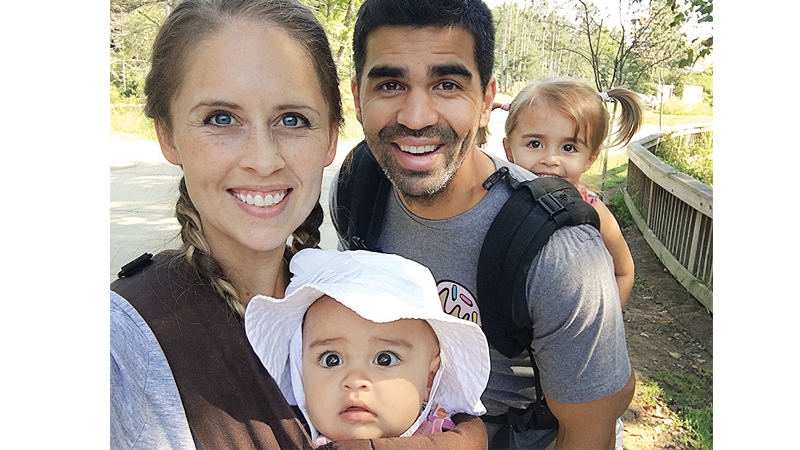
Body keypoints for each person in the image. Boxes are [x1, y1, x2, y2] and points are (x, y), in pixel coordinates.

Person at [110, 0, 486, 448]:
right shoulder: (120, 346)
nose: (263, 161)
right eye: (221, 119)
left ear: (330, 138)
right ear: (167, 134)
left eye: (292, 120)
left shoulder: (347, 298)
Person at [330, 0, 635, 448]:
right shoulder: (360, 186)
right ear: (358, 98)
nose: (416, 118)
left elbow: (588, 434)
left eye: (448, 84)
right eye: (391, 84)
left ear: (485, 102)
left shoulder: (557, 252)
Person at [245, 248, 490, 447]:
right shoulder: (275, 439)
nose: (354, 381)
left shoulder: (453, 442)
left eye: (385, 359)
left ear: (429, 379)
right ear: (300, 374)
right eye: (331, 359)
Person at [501, 77, 641, 309]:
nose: (550, 159)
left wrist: (604, 326)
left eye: (569, 148)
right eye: (535, 144)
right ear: (508, 149)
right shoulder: (496, 198)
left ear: (589, 159)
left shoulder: (590, 208)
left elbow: (624, 271)